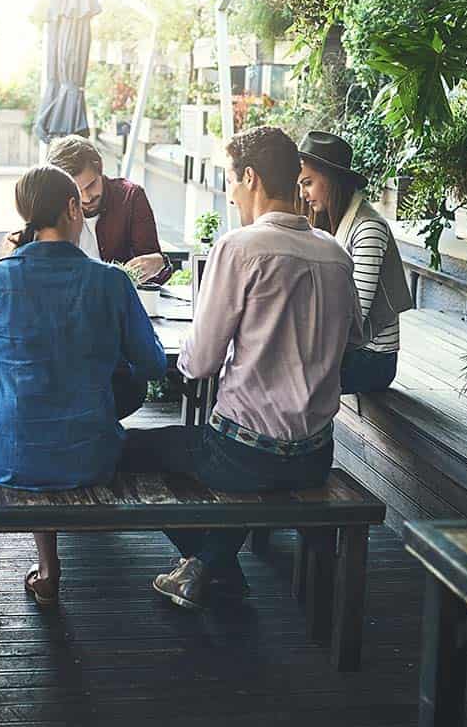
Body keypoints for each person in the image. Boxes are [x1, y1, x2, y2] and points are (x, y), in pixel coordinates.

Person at [120, 126, 360, 609]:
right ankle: (209, 566)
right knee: (204, 450)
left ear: (249, 177)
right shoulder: (337, 254)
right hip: (315, 456)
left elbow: (200, 362)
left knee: (128, 450)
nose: (230, 193)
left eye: (230, 180)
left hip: (244, 456)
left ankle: (210, 564)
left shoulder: (239, 247)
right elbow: (350, 340)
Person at [0, 165, 166, 606]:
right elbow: (152, 364)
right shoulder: (111, 282)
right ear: (73, 208)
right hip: (90, 453)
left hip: (6, 453)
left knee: (29, 416)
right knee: (66, 417)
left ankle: (49, 568)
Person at [46, 134, 170, 418]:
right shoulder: (51, 209)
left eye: (92, 184)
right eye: (78, 192)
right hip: (66, 326)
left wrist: (157, 263)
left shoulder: (130, 197)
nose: (87, 197)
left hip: (119, 327)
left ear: (100, 167)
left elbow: (157, 266)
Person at [297, 130, 412, 394]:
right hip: (346, 350)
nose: (303, 193)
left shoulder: (368, 228)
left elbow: (355, 315)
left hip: (371, 360)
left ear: (331, 179)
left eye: (308, 183)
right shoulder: (334, 224)